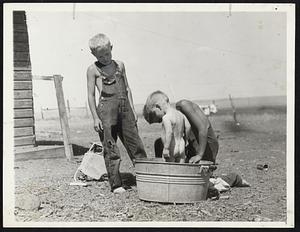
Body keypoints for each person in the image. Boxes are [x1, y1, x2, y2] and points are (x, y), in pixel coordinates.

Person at [87, 33, 147, 194]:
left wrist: (133, 110)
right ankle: (116, 184)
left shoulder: (120, 65)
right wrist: (95, 117)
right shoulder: (93, 70)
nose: (105, 58)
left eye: (107, 54)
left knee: (136, 144)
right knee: (110, 147)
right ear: (93, 54)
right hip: (106, 112)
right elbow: (91, 95)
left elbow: (127, 88)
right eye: (101, 56)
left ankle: (146, 178)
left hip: (125, 109)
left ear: (111, 48)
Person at [144, 92, 219, 164]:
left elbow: (203, 128)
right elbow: (188, 127)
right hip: (195, 145)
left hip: (206, 148)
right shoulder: (178, 114)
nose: (161, 120)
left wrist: (199, 155)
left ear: (157, 107)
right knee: (159, 143)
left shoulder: (183, 105)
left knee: (161, 144)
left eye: (158, 119)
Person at [143, 91, 191, 163]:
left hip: (171, 148)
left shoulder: (166, 118)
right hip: (181, 146)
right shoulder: (180, 114)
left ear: (158, 107)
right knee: (181, 167)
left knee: (169, 169)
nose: (157, 117)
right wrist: (186, 139)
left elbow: (169, 132)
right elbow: (188, 126)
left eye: (155, 113)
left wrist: (166, 148)